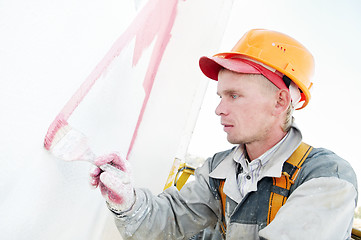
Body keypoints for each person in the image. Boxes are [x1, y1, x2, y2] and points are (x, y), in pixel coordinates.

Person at [89, 29, 358, 239]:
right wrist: (128, 202)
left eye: (234, 96)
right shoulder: (220, 169)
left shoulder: (327, 176)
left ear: (280, 101)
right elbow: (168, 221)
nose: (219, 109)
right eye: (220, 96)